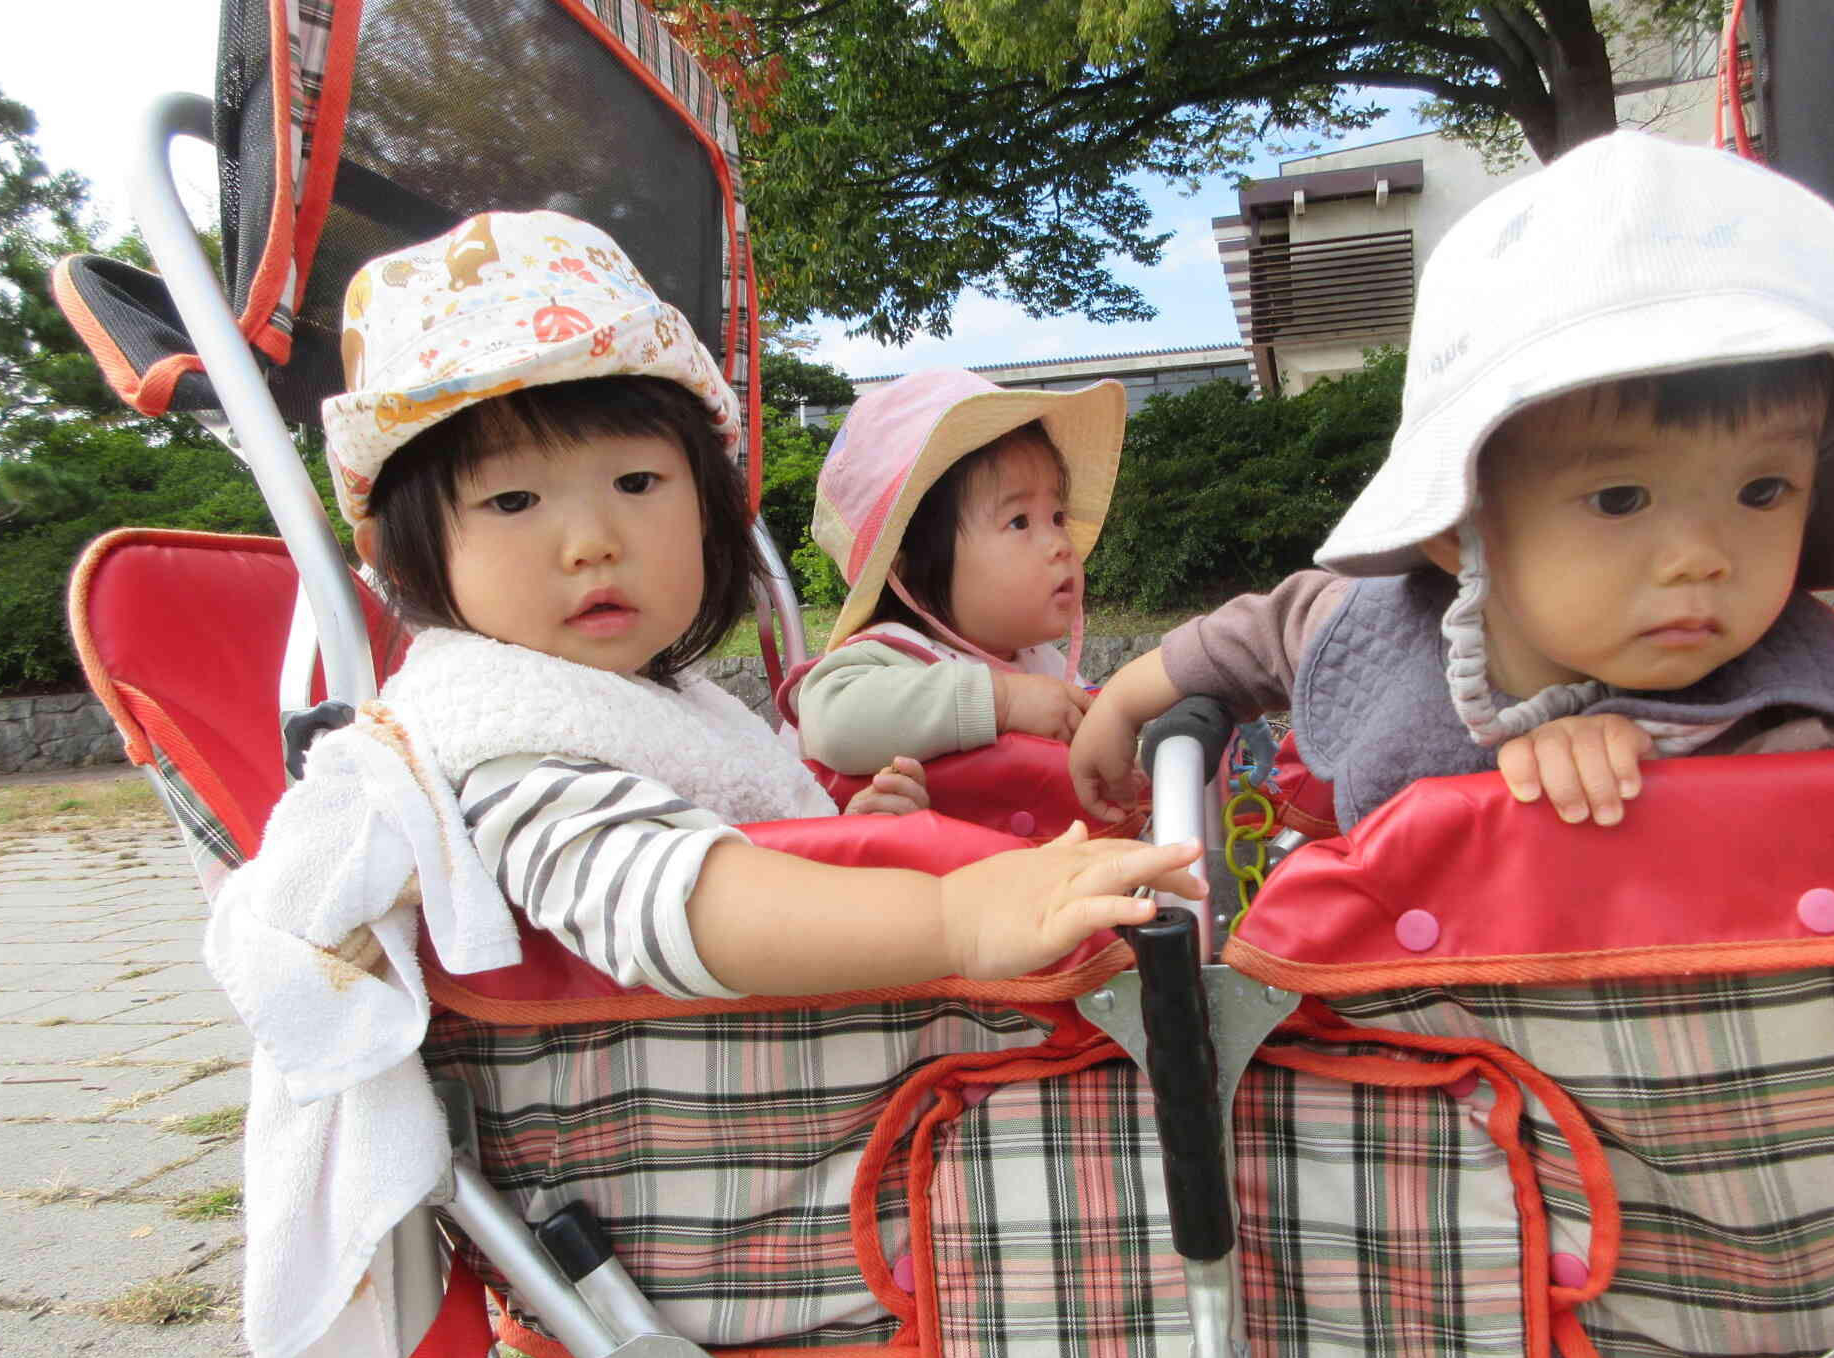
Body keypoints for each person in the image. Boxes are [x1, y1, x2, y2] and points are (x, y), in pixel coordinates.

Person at [319, 210, 1200, 1003]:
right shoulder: (498, 738)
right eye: (512, 501)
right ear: (399, 555)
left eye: (635, 482)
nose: (590, 540)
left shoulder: (666, 704)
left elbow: (753, 847)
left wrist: (845, 840)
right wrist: (949, 916)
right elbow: (654, 895)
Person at [1070, 132, 1834, 834]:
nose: (1704, 558)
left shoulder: (1810, 724)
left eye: (1762, 492)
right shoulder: (1387, 622)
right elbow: (1264, 633)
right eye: (1621, 499)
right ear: (1457, 527)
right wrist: (1124, 698)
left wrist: (1657, 790)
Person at [782, 369, 1122, 780]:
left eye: (1057, 516)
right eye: (1019, 522)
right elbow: (831, 725)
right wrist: (1001, 702)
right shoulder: (891, 655)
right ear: (907, 568)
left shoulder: (1043, 666)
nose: (1060, 544)